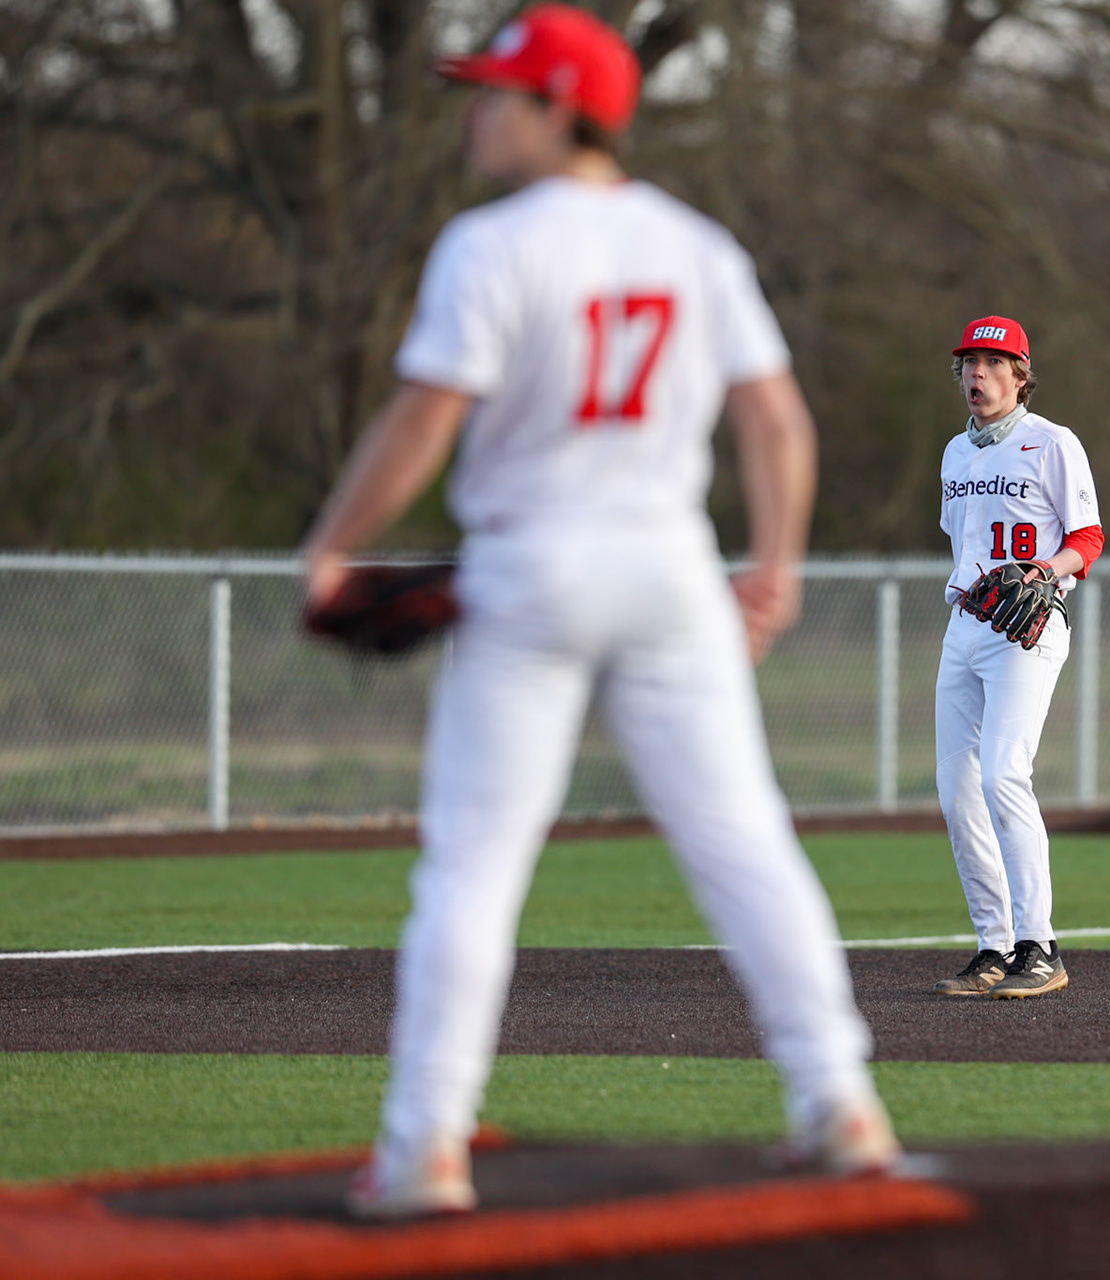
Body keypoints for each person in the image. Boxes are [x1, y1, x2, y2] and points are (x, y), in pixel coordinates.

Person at [299, 3, 897, 1219]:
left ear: (562, 108)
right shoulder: (694, 243)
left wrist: (333, 542)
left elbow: (424, 419)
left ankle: (423, 1146)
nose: (480, 109)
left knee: (473, 864)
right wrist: (774, 564)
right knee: (744, 841)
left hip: (531, 567)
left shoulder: (489, 245)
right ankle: (838, 1099)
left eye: (501, 92)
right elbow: (777, 420)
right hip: (668, 567)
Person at [932, 316, 1104, 998]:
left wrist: (1042, 573)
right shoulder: (953, 453)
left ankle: (1041, 945)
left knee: (1004, 773)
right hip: (966, 626)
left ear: (1021, 375)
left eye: (993, 363)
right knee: (956, 791)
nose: (977, 374)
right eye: (969, 363)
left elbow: (1087, 538)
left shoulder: (1052, 443)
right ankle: (993, 947)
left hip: (1027, 629)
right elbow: (961, 543)